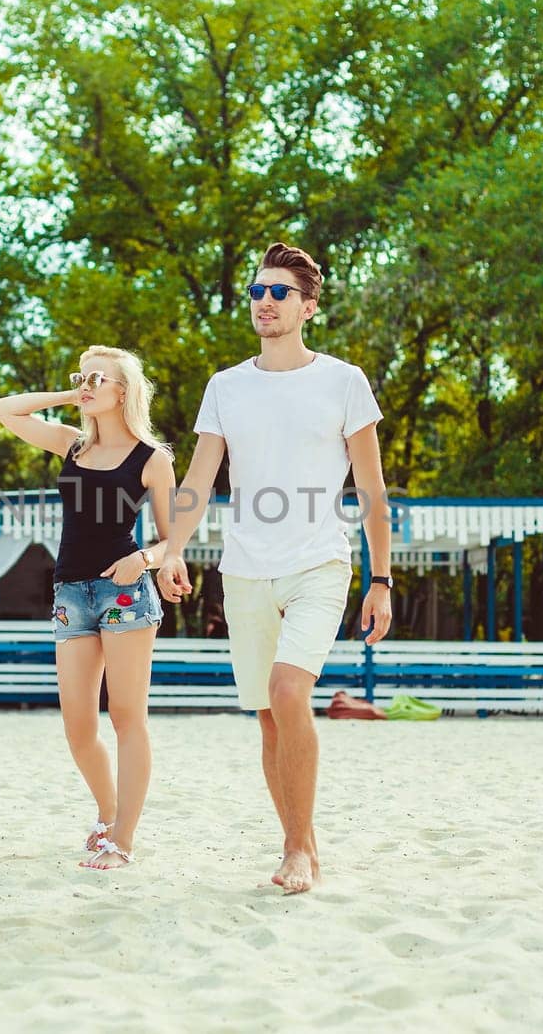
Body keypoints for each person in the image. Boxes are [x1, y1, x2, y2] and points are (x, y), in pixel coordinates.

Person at [156, 242, 393, 895]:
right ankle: (304, 843)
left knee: (291, 691)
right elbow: (199, 479)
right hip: (245, 571)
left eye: (279, 292)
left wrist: (382, 580)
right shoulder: (226, 387)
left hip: (320, 563)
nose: (264, 301)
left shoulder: (344, 381)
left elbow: (372, 489)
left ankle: (296, 848)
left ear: (308, 307)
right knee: (267, 713)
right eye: (258, 291)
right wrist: (173, 546)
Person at [0, 345, 178, 870]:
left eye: (100, 378)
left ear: (125, 390)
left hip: (125, 594)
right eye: (83, 376)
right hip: (71, 593)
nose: (88, 384)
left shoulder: (151, 458)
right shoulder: (72, 446)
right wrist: (68, 394)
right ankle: (107, 810)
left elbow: (172, 541)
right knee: (78, 726)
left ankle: (123, 839)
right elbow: (4, 409)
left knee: (126, 718)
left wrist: (142, 559)